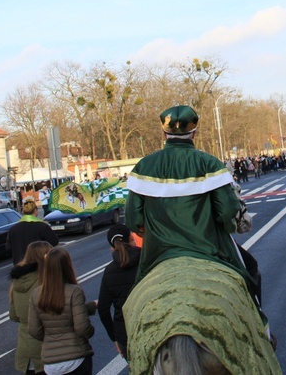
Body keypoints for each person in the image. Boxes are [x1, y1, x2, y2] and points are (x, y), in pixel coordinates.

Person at [125, 105, 258, 289]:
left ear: (164, 134)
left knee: (133, 296)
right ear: (193, 134)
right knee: (251, 269)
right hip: (209, 250)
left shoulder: (143, 167)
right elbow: (229, 212)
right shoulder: (209, 164)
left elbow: (133, 219)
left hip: (158, 254)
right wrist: (230, 226)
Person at [28, 247, 96, 375]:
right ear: (67, 266)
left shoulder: (36, 294)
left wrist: (51, 338)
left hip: (51, 363)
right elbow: (82, 327)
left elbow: (33, 329)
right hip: (76, 357)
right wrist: (91, 331)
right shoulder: (74, 291)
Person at [9, 241, 53, 375]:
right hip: (45, 349)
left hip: (25, 351)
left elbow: (13, 315)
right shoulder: (45, 281)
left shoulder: (17, 283)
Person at [98, 224, 141, 358]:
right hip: (150, 325)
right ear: (131, 239)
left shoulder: (109, 270)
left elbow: (103, 308)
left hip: (125, 334)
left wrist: (114, 338)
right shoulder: (146, 261)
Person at [7, 197, 59, 265]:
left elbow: (9, 249)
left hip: (20, 266)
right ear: (35, 211)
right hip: (39, 265)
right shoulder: (42, 226)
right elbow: (54, 242)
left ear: (23, 211)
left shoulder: (13, 229)